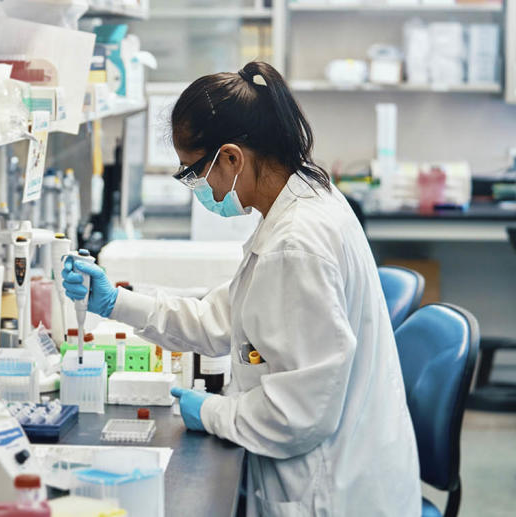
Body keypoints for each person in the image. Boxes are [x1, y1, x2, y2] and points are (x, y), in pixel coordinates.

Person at [62, 62, 420, 516]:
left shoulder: (295, 245)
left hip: (331, 491)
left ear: (231, 158)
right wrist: (115, 301)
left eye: (194, 172)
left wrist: (210, 413)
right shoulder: (305, 199)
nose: (197, 187)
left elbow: (298, 414)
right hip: (341, 468)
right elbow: (222, 319)